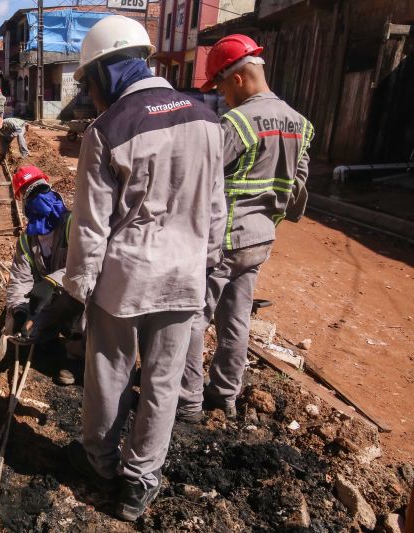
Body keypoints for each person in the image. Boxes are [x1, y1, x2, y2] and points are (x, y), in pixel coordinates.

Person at [49, 15, 225, 522]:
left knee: (108, 374)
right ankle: (140, 481)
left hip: (125, 281)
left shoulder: (109, 130)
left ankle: (101, 464)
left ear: (106, 71)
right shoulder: (207, 119)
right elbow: (216, 209)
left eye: (89, 82)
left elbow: (90, 226)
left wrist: (75, 293)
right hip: (184, 276)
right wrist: (208, 269)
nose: (90, 94)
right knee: (164, 382)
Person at [177, 34, 314, 423]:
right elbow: (298, 186)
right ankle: (225, 395)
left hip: (225, 239)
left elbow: (199, 177)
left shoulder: (238, 122)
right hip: (260, 239)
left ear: (237, 78)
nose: (220, 95)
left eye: (220, 85)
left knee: (192, 320)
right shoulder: (299, 123)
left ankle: (187, 402)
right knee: (236, 321)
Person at [5, 165, 82, 385]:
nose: (40, 197)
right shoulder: (28, 240)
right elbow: (20, 280)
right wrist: (19, 311)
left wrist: (51, 281)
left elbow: (87, 268)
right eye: (31, 192)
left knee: (87, 302)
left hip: (79, 297)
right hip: (49, 300)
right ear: (23, 201)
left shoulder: (73, 225)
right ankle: (46, 337)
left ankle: (75, 358)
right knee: (17, 331)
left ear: (50, 188)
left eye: (41, 190)